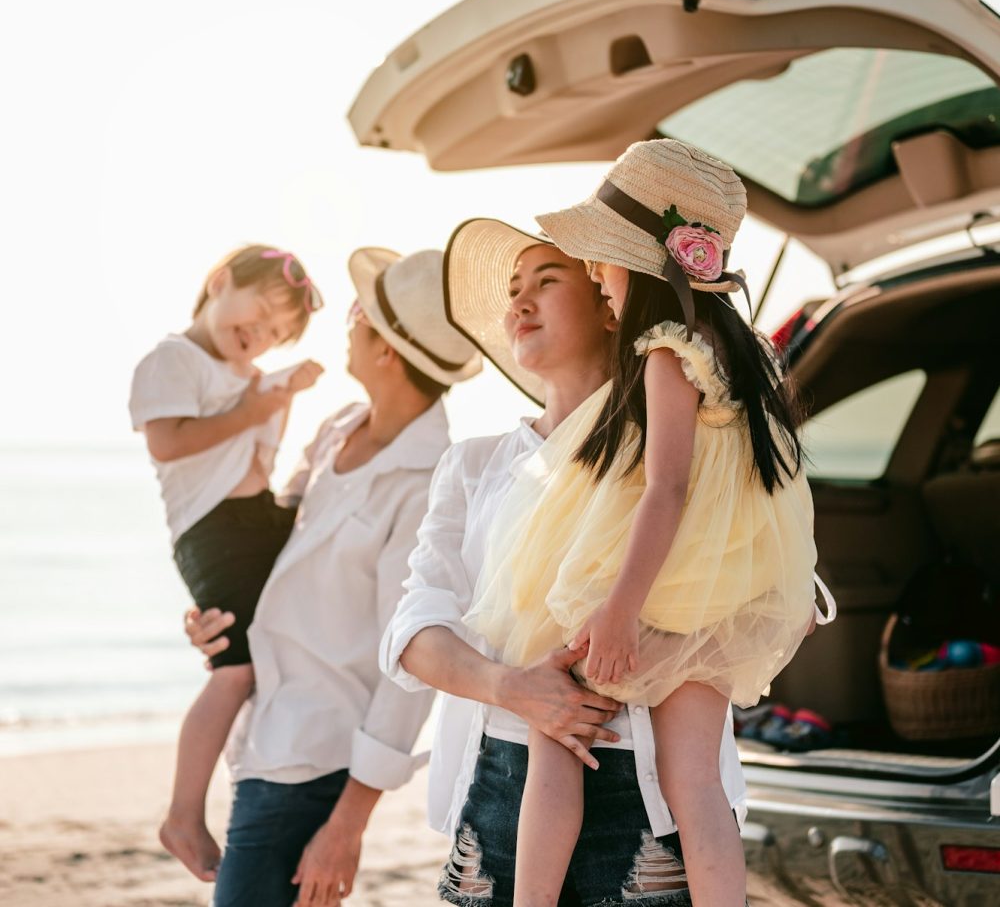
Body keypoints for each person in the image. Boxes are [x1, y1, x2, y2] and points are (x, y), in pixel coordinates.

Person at [464, 139, 836, 906]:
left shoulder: (667, 353)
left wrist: (621, 609)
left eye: (602, 260)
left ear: (639, 263)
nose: (598, 276)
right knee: (695, 781)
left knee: (558, 743)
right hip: (720, 592)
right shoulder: (746, 356)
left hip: (646, 579)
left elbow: (665, 488)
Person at [381, 222, 752, 907]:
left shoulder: (687, 438)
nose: (518, 303)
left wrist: (659, 647)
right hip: (502, 788)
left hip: (654, 805)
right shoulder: (472, 465)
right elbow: (412, 631)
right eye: (512, 290)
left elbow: (774, 603)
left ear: (609, 301)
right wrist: (511, 686)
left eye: (545, 282)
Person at [185, 247, 481, 907]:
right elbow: (267, 553)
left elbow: (413, 669)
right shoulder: (335, 429)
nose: (346, 322)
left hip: (317, 765)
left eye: (359, 315)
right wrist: (215, 611)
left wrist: (347, 826)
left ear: (387, 352)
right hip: (266, 736)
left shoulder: (426, 487)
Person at [129, 244, 324, 880]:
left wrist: (281, 398)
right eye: (260, 312)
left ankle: (267, 783)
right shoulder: (172, 359)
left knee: (284, 654)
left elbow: (260, 463)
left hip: (257, 516)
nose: (260, 334)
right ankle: (183, 815)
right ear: (219, 282)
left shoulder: (251, 381)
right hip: (211, 531)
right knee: (234, 670)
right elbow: (170, 440)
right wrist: (257, 405)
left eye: (276, 333)